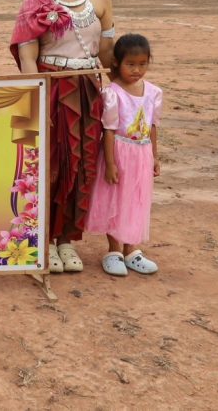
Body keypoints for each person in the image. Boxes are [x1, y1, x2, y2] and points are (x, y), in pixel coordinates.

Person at [10, 0, 115, 274]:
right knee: (52, 165)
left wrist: (124, 87)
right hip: (52, 89)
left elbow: (106, 53)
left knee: (83, 163)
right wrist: (37, 101)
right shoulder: (34, 4)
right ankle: (44, 238)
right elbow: (27, 58)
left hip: (88, 92)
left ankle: (67, 238)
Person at [87, 34, 162, 277]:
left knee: (136, 200)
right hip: (119, 153)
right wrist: (110, 164)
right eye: (131, 64)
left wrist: (155, 156)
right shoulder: (112, 93)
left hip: (142, 155)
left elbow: (152, 127)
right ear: (117, 63)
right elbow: (109, 130)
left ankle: (132, 250)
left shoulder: (153, 93)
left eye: (142, 64)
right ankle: (114, 251)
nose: (137, 70)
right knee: (116, 200)